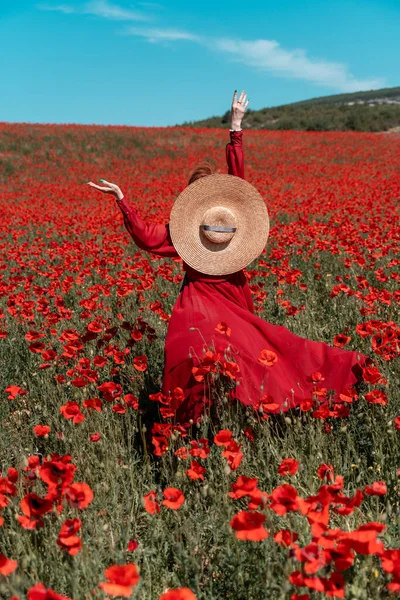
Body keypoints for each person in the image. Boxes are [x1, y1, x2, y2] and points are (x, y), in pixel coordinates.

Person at [88, 90, 370, 427]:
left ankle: (240, 415)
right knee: (195, 352)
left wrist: (236, 126)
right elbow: (150, 236)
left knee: (253, 357)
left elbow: (235, 184)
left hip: (231, 303)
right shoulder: (189, 232)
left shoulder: (228, 224)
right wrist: (122, 199)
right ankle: (191, 424)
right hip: (200, 306)